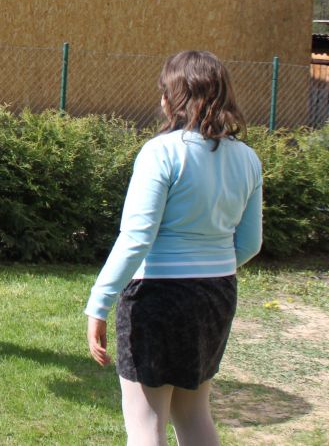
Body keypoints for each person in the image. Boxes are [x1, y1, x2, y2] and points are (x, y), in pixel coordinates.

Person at [85, 51, 263, 446]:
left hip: (157, 297)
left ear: (174, 98)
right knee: (195, 414)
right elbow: (250, 243)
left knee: (146, 425)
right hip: (216, 295)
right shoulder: (249, 159)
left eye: (164, 91)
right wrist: (207, 267)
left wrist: (99, 303)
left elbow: (136, 238)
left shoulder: (160, 152)